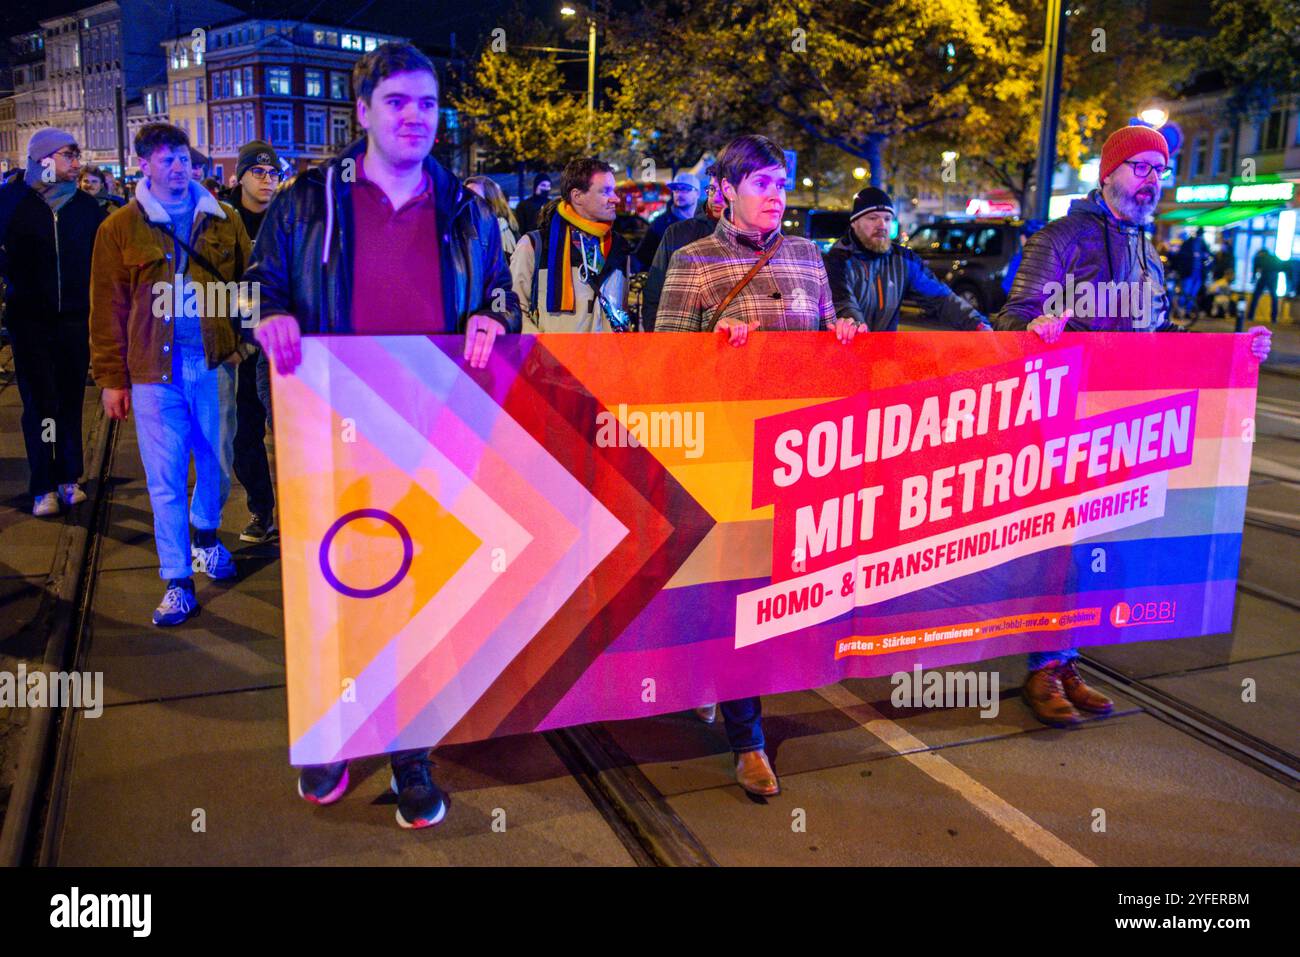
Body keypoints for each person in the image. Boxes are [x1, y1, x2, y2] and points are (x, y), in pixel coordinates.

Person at [242, 42, 521, 830]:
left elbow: (503, 299)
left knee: (419, 596)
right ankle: (332, 734)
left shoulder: (467, 209)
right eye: (397, 101)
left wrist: (492, 317)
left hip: (431, 430)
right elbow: (257, 284)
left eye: (428, 104)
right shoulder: (306, 201)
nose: (414, 118)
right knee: (332, 589)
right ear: (361, 112)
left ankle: (409, 753)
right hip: (330, 428)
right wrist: (267, 310)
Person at [996, 124, 1272, 726]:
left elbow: (1160, 335)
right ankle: (1043, 669)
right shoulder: (1062, 237)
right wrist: (1040, 327)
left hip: (1126, 424)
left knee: (1100, 547)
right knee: (1059, 547)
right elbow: (1014, 315)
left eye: (1159, 171)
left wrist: (1233, 350)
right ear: (1110, 173)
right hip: (1065, 421)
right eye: (1141, 168)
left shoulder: (1148, 249)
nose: (1152, 181)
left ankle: (1065, 658)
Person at [656, 134, 860, 797]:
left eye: (780, 182)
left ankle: (715, 678)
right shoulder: (694, 258)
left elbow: (830, 333)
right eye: (760, 183)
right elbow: (660, 364)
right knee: (740, 594)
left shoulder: (808, 256)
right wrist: (707, 349)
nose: (775, 194)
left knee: (781, 593)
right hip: (729, 457)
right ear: (727, 192)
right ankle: (749, 740)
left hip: (801, 456)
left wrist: (844, 332)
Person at [90, 122, 251, 626]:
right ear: (145, 165)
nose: (178, 167)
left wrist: (240, 345)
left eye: (183, 158)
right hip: (152, 370)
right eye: (166, 160)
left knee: (218, 461)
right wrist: (111, 378)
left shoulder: (223, 219)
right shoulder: (118, 227)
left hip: (212, 361)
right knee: (164, 479)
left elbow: (249, 284)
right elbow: (106, 308)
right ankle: (177, 579)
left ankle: (205, 530)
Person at [0, 129, 106, 516]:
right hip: (30, 322)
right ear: (43, 160)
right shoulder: (11, 202)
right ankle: (42, 482)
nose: (76, 163)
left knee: (70, 400)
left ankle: (68, 475)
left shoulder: (84, 207)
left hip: (74, 321)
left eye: (77, 155)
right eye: (68, 155)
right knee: (39, 404)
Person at [824, 186, 992, 332]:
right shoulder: (837, 260)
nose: (882, 225)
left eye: (887, 218)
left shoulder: (903, 260)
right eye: (873, 218)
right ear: (855, 223)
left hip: (885, 359)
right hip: (847, 355)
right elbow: (843, 305)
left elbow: (940, 298)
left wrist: (977, 324)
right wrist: (856, 329)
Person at [228, 140, 283, 545]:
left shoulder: (289, 221)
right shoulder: (220, 221)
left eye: (273, 173)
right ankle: (260, 510)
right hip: (238, 346)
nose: (267, 180)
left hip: (281, 342)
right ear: (241, 176)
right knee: (244, 433)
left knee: (289, 431)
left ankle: (300, 510)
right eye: (259, 172)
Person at [510, 156, 636, 333]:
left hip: (607, 359)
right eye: (605, 191)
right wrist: (543, 352)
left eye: (613, 191)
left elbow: (622, 312)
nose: (615, 199)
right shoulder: (534, 245)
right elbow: (514, 310)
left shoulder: (619, 247)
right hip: (554, 359)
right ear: (577, 196)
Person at [641, 165, 726, 331]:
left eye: (685, 190)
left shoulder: (753, 237)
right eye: (712, 189)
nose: (716, 198)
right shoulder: (673, 231)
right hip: (682, 340)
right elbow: (654, 292)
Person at [634, 170, 701, 270]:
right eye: (675, 189)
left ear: (697, 193)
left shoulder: (705, 223)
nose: (679, 194)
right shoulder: (660, 224)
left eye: (685, 189)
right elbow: (641, 258)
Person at [464, 174, 518, 258]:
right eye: (466, 195)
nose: (469, 201)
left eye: (475, 197)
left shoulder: (504, 227)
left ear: (490, 201)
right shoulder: (459, 227)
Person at [1248, 245, 1284, 326]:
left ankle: (1250, 316)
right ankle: (1274, 318)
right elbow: (1281, 267)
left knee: (1256, 297)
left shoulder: (1259, 258)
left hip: (1264, 277)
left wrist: (1253, 278)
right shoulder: (1274, 258)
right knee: (1274, 298)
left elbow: (1255, 269)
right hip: (1273, 278)